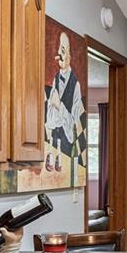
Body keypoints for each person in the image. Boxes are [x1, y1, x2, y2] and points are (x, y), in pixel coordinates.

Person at [44, 31, 87, 176]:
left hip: (66, 150)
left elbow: (73, 125)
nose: (58, 53)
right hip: (53, 145)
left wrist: (59, 106)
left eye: (62, 49)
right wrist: (53, 106)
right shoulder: (56, 79)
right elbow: (50, 119)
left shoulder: (76, 86)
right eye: (59, 49)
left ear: (70, 55)